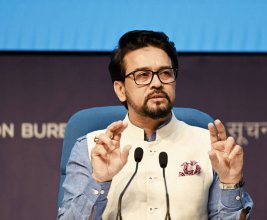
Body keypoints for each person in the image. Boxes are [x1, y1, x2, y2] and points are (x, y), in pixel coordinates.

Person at [58, 30, 253, 219]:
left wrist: (231, 184)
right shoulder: (92, 147)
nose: (157, 83)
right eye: (142, 75)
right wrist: (99, 181)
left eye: (165, 73)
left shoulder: (209, 147)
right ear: (120, 89)